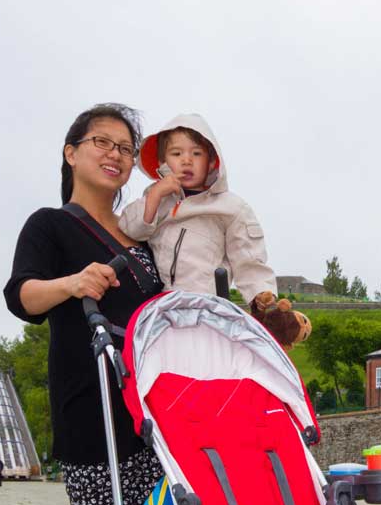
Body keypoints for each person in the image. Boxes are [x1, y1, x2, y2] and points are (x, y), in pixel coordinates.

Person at [4, 103, 222, 505]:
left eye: (126, 148)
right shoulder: (51, 224)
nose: (115, 154)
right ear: (71, 152)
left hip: (156, 407)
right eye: (102, 142)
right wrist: (72, 284)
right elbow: (22, 295)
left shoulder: (146, 233)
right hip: (89, 399)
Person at [118, 114, 309, 349]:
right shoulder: (157, 200)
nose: (186, 161)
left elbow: (248, 256)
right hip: (162, 309)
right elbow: (130, 228)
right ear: (162, 163)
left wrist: (261, 294)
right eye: (177, 154)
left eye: (196, 153)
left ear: (211, 161)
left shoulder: (230, 207)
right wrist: (156, 196)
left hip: (207, 308)